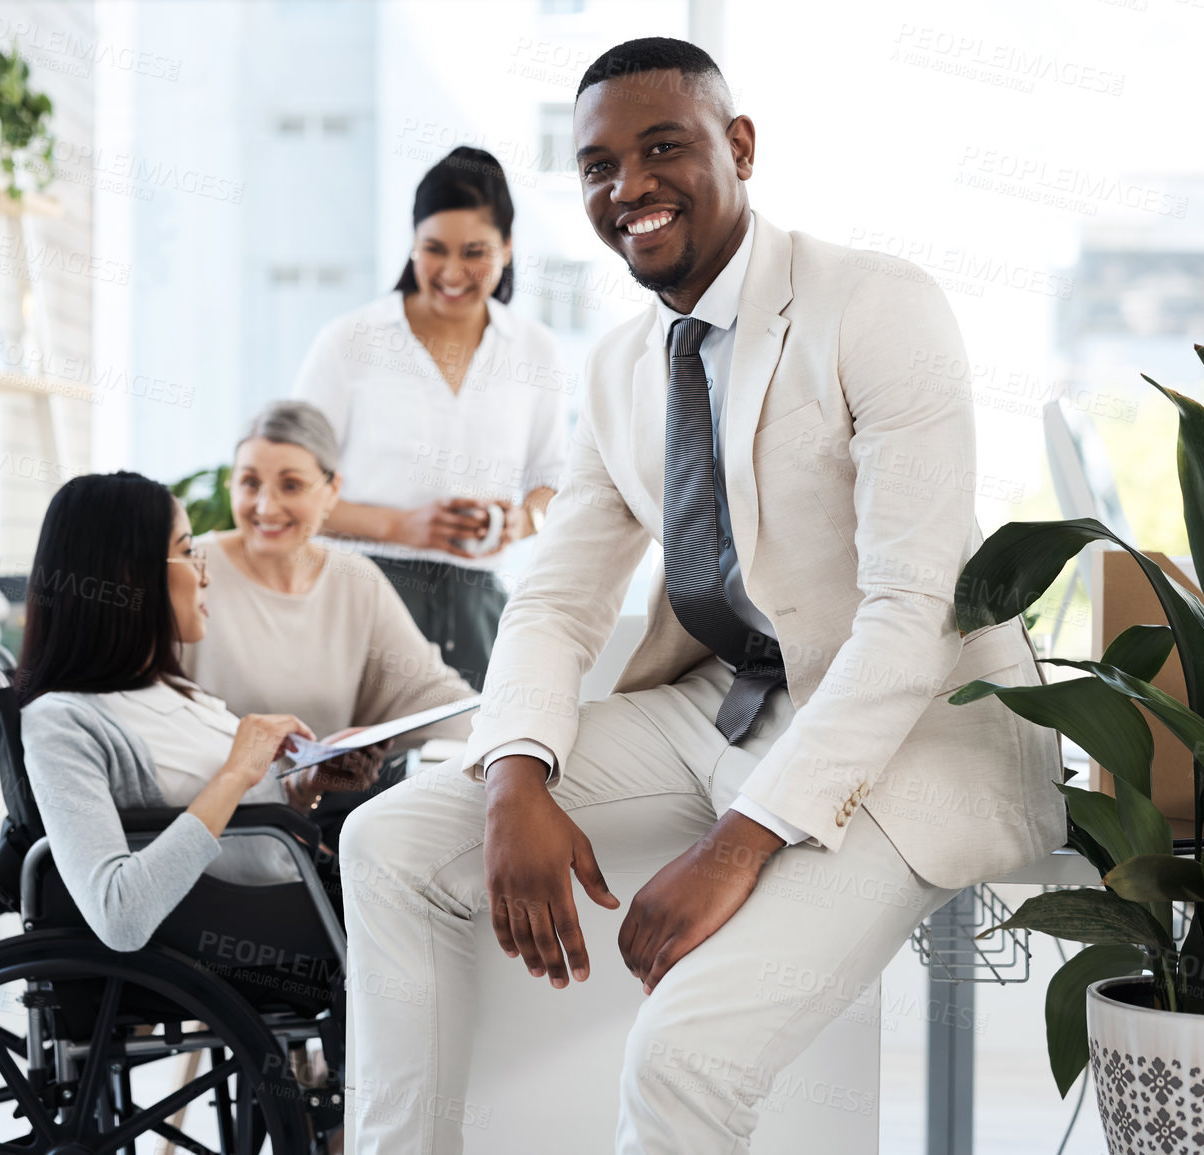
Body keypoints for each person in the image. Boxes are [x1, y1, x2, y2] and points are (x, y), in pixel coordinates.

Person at [339, 38, 1065, 1154]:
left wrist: (740, 842)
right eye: (596, 166)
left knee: (681, 1058)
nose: (627, 186)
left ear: (740, 147)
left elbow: (913, 610)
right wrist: (514, 775)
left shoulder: (875, 305)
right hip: (725, 705)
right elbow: (555, 602)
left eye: (661, 146)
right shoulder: (623, 369)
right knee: (384, 842)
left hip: (914, 731)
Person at [14, 471, 379, 953]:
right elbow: (119, 914)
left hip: (310, 897)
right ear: (129, 574)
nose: (205, 574)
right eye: (188, 552)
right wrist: (235, 774)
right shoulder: (63, 722)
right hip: (268, 938)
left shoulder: (169, 689)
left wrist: (303, 785)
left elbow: (238, 833)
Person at [293, 146, 570, 691]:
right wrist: (405, 527)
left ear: (509, 248)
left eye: (474, 252)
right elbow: (294, 491)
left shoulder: (537, 351)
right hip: (362, 593)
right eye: (433, 249)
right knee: (360, 772)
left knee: (475, 767)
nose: (450, 272)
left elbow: (553, 482)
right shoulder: (350, 341)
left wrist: (522, 522)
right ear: (412, 244)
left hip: (479, 606)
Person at [182, 401, 478, 842]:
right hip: (205, 823)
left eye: (291, 485)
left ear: (332, 491)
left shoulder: (356, 581)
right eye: (249, 483)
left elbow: (436, 698)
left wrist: (521, 738)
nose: (266, 505)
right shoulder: (190, 568)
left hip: (311, 828)